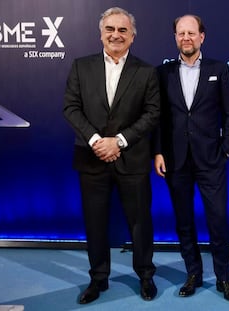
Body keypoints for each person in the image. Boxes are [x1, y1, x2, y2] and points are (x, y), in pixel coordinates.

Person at [63, 7, 160, 304]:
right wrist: (96, 141)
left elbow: (153, 112)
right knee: (95, 222)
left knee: (140, 222)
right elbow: (71, 108)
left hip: (133, 160)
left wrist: (118, 141)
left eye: (122, 30)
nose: (115, 35)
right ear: (101, 33)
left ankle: (145, 276)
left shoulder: (147, 72)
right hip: (92, 159)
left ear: (132, 36)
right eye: (110, 29)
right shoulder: (81, 66)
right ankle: (98, 279)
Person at [153, 14, 229, 302]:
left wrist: (226, 148)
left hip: (211, 160)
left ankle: (224, 279)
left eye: (191, 32)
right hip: (176, 161)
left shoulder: (219, 68)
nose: (186, 38)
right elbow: (159, 119)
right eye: (180, 33)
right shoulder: (162, 73)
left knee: (217, 220)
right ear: (175, 37)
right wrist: (158, 151)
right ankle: (193, 274)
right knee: (184, 221)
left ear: (202, 36)